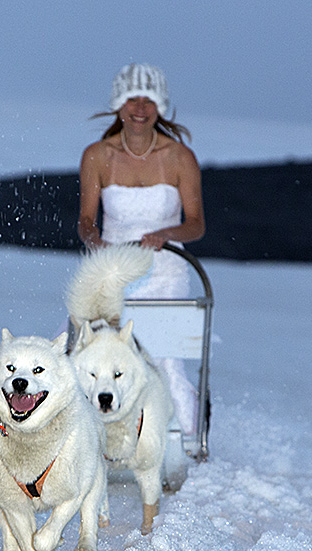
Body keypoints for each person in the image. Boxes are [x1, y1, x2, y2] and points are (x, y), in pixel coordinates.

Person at [77, 62, 205, 435]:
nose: (139, 108)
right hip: (115, 272)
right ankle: (92, 440)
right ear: (118, 104)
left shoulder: (180, 158)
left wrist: (166, 233)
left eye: (148, 100)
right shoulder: (97, 156)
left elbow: (196, 224)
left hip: (166, 270)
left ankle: (185, 445)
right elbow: (86, 220)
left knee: (164, 362)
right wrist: (95, 240)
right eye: (132, 99)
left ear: (160, 106)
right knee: (94, 355)